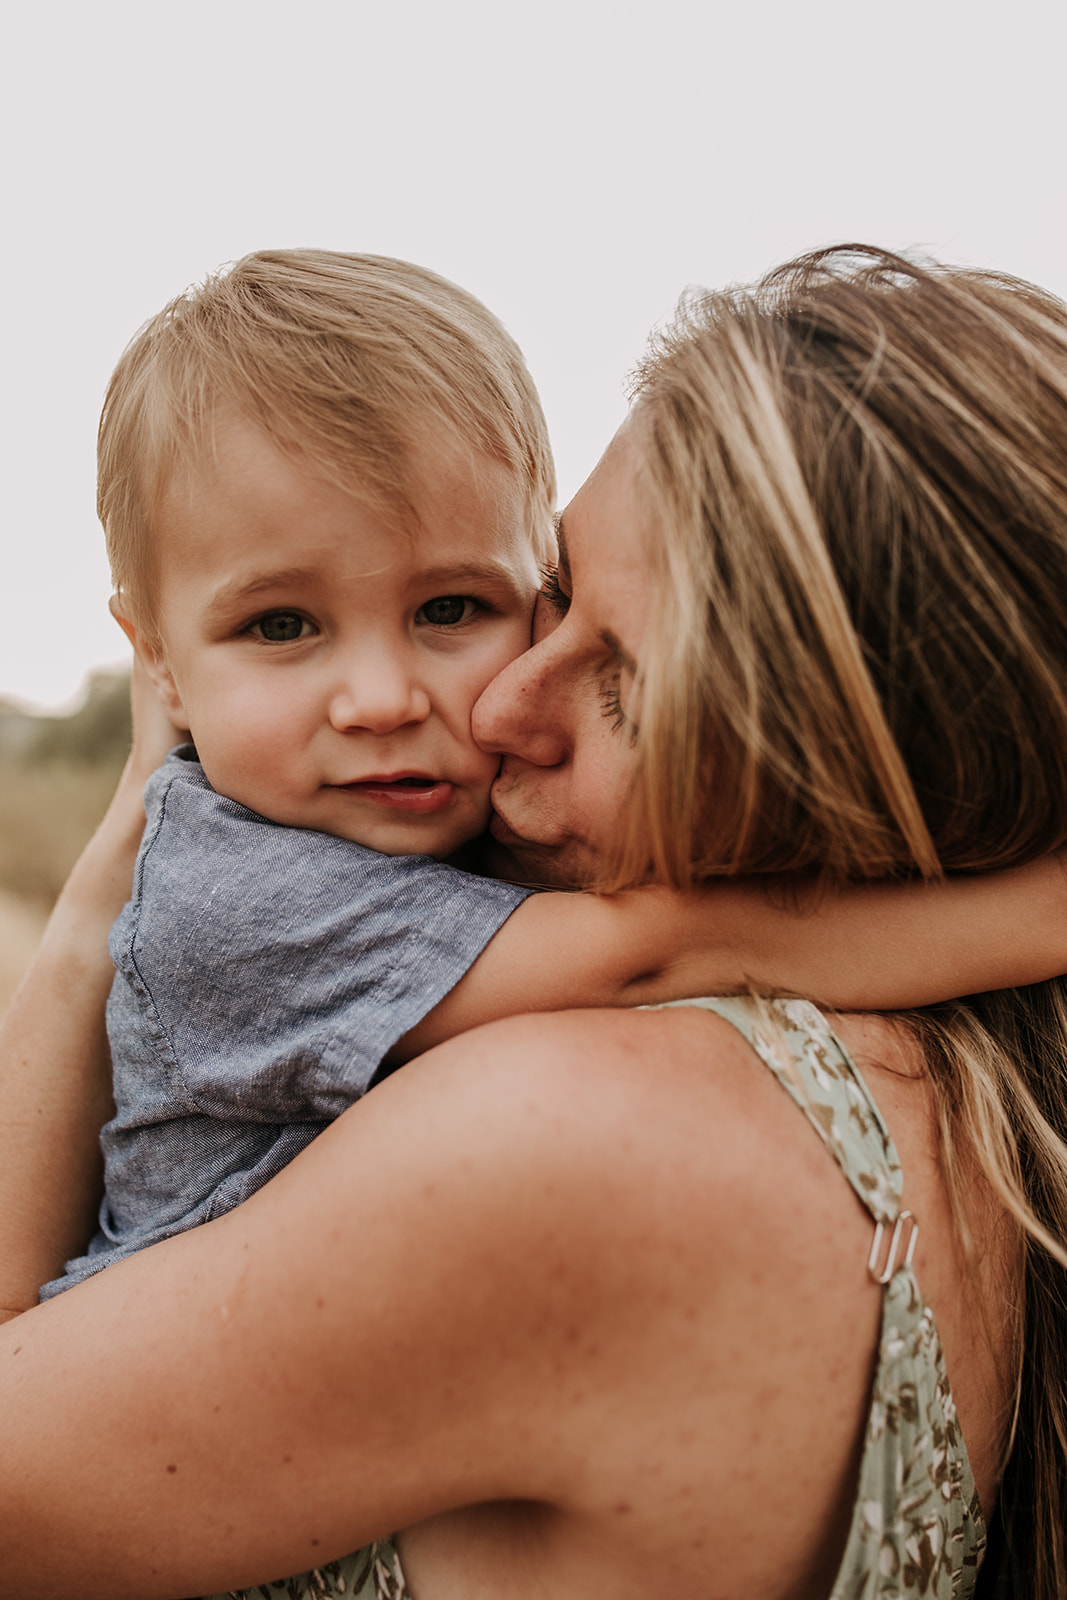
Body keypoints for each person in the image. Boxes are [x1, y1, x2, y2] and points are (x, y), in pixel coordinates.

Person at [3, 244, 1067, 1598]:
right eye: (560, 604)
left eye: (612, 677)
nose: (484, 710)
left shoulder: (565, 1137)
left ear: (843, 770)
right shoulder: (970, 1117)